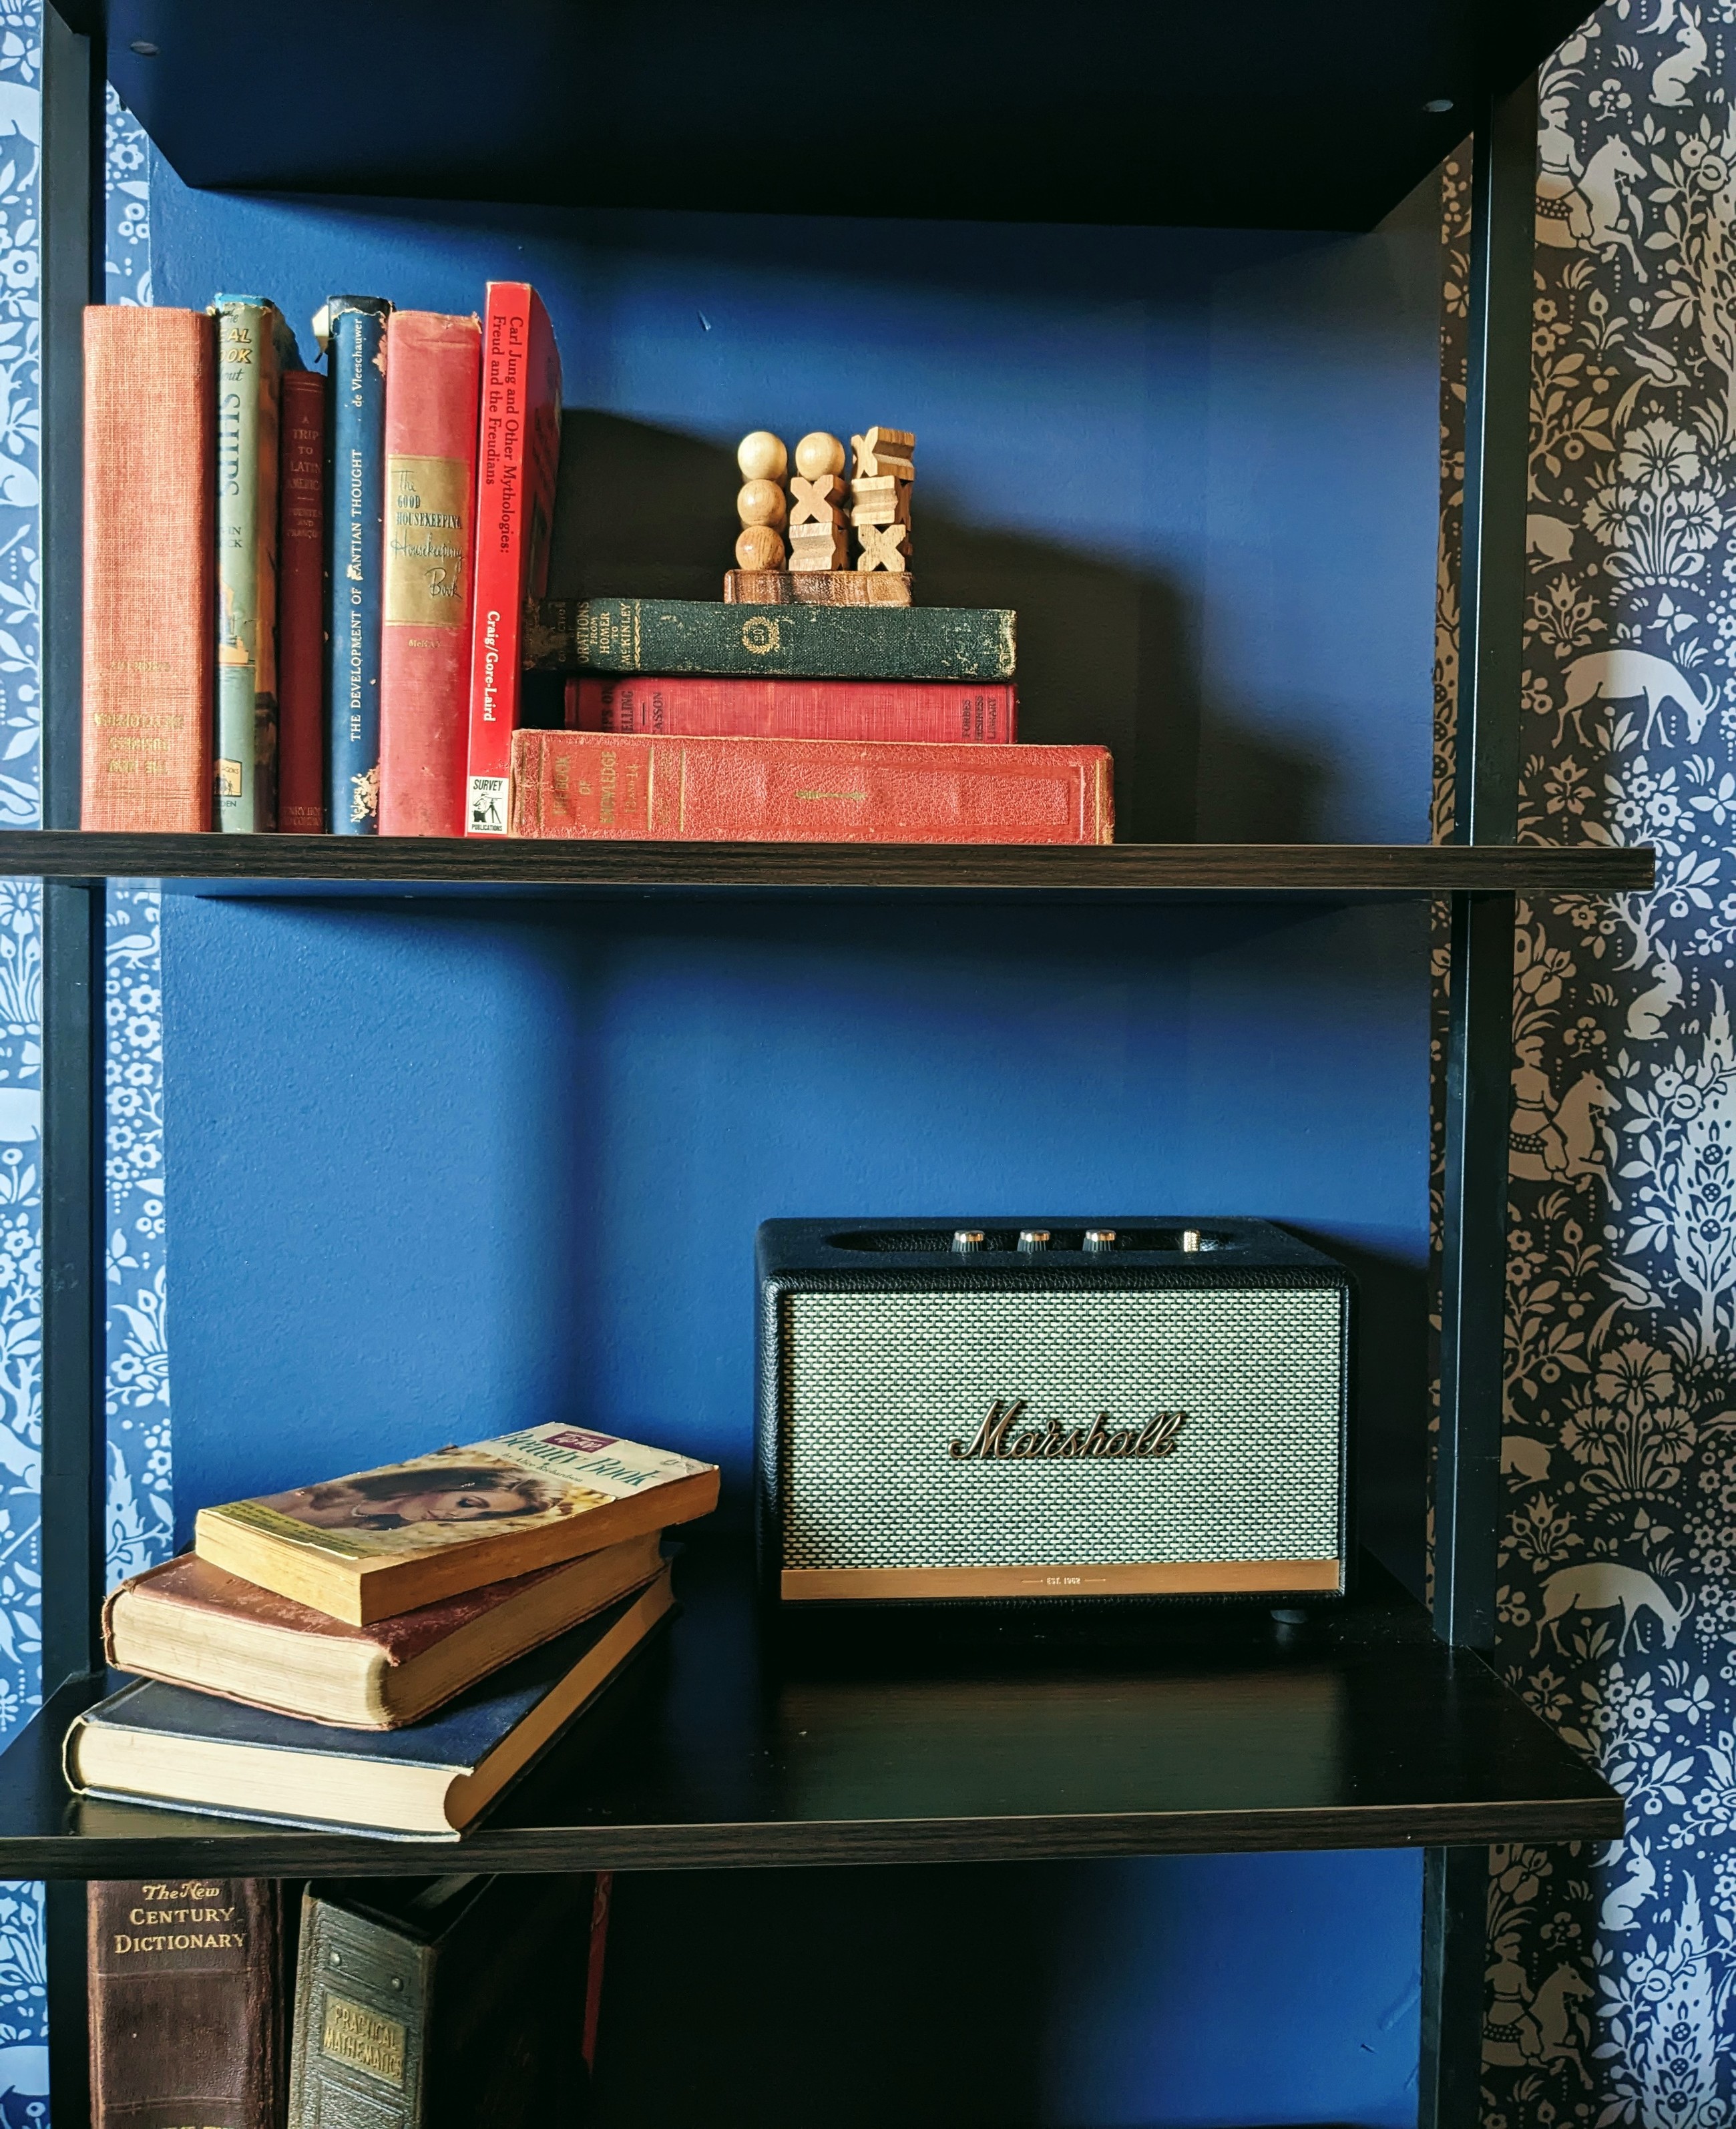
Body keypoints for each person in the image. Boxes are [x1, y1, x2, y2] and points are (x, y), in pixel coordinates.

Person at [263, 1461, 567, 1534]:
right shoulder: (318, 1494)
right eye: (468, 1504)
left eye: (481, 1516)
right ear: (452, 1484)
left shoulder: (377, 1529)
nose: (459, 1517)